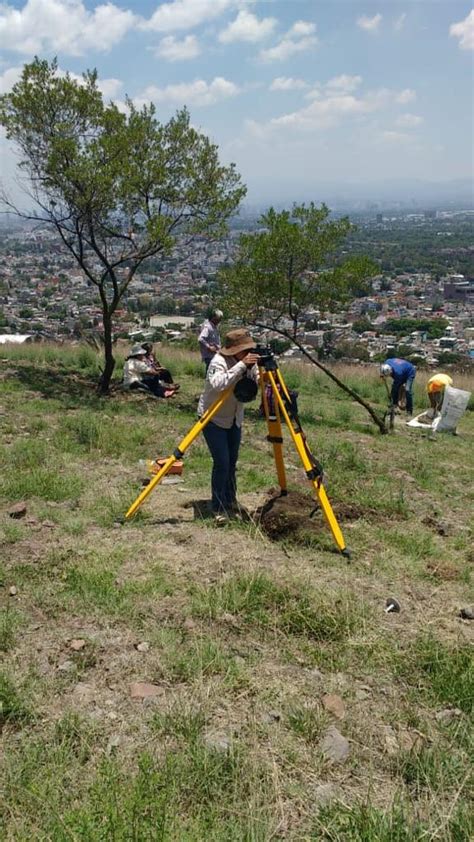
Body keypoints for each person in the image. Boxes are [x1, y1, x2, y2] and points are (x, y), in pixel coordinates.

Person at [198, 328, 259, 524]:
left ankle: (230, 500)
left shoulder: (250, 363)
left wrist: (255, 370)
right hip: (213, 417)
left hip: (234, 417)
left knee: (232, 462)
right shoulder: (218, 362)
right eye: (245, 350)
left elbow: (255, 383)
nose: (249, 353)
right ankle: (217, 506)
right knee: (222, 462)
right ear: (235, 350)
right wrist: (241, 366)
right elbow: (218, 384)